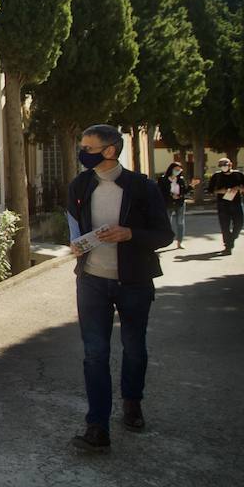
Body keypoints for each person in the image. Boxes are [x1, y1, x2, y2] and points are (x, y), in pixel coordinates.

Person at [66, 124, 174, 453]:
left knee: (134, 347)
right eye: (81, 146)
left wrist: (130, 234)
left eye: (89, 147)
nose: (82, 152)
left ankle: (132, 402)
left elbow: (164, 236)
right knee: (94, 354)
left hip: (134, 282)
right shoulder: (80, 185)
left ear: (110, 150)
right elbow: (73, 225)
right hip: (92, 281)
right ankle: (97, 425)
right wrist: (75, 244)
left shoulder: (142, 187)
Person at [208, 157, 244, 255]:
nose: (223, 167)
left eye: (225, 165)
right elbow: (210, 190)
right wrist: (220, 191)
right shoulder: (216, 176)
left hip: (237, 203)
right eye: (221, 165)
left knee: (239, 224)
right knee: (225, 226)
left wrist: (239, 188)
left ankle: (231, 239)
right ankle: (228, 246)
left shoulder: (239, 175)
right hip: (223, 204)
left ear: (230, 164)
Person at [156, 161, 193, 249]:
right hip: (167, 204)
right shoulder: (163, 180)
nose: (178, 171)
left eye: (179, 170)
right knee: (167, 223)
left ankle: (180, 242)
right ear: (171, 169)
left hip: (179, 203)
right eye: (176, 169)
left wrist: (191, 186)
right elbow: (160, 192)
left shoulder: (180, 180)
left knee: (180, 223)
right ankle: (166, 240)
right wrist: (171, 196)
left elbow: (184, 192)